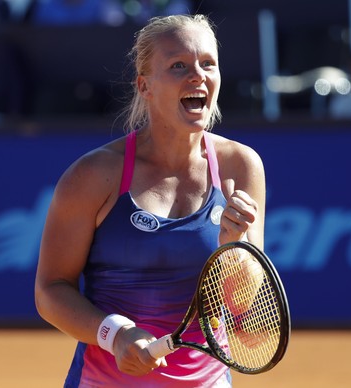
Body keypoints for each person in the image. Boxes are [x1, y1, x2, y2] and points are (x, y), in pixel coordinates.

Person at [34, 14, 266, 387]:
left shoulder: (241, 166)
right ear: (145, 86)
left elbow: (243, 308)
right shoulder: (94, 175)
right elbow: (50, 290)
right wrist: (116, 334)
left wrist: (234, 246)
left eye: (208, 63)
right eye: (178, 66)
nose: (198, 76)